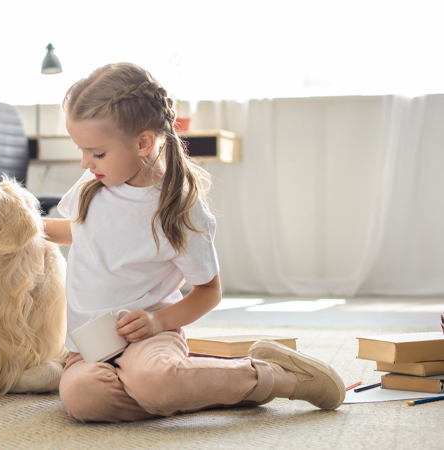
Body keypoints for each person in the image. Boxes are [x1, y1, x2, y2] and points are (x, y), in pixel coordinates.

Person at [42, 63, 345, 422]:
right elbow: (82, 233)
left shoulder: (178, 210)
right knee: (83, 399)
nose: (85, 162)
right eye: (82, 150)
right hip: (89, 347)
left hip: (148, 339)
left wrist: (157, 322)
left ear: (142, 143)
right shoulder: (94, 185)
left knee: (156, 384)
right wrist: (28, 227)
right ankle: (200, 390)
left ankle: (275, 377)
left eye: (96, 152)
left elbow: (209, 292)